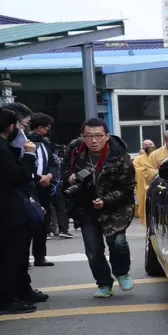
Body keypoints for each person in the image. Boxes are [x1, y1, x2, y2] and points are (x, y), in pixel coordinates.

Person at [64, 118, 137, 298]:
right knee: (93, 250)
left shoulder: (120, 156)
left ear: (106, 136)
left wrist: (105, 200)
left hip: (115, 208)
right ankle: (104, 283)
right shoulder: (75, 151)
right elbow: (63, 170)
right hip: (85, 207)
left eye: (98, 136)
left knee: (118, 243)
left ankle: (121, 272)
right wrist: (70, 178)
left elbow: (128, 187)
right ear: (82, 136)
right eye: (88, 136)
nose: (93, 141)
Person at [0, 107, 40, 315]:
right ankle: (6, 300)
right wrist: (29, 155)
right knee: (9, 257)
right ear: (10, 127)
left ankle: (17, 294)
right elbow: (19, 178)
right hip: (6, 211)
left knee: (8, 256)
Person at [25, 112, 56, 267]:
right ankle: (24, 257)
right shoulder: (25, 142)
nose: (49, 130)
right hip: (30, 186)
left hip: (45, 186)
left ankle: (40, 256)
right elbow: (25, 165)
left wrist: (49, 175)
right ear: (39, 127)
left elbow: (52, 162)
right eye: (47, 127)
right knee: (29, 221)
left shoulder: (45, 143)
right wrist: (39, 178)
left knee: (43, 221)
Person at [134, 139, 159, 226]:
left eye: (150, 144)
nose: (149, 146)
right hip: (144, 187)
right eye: (146, 145)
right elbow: (134, 170)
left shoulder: (159, 156)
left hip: (158, 185)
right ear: (143, 147)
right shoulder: (138, 159)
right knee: (145, 206)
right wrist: (147, 170)